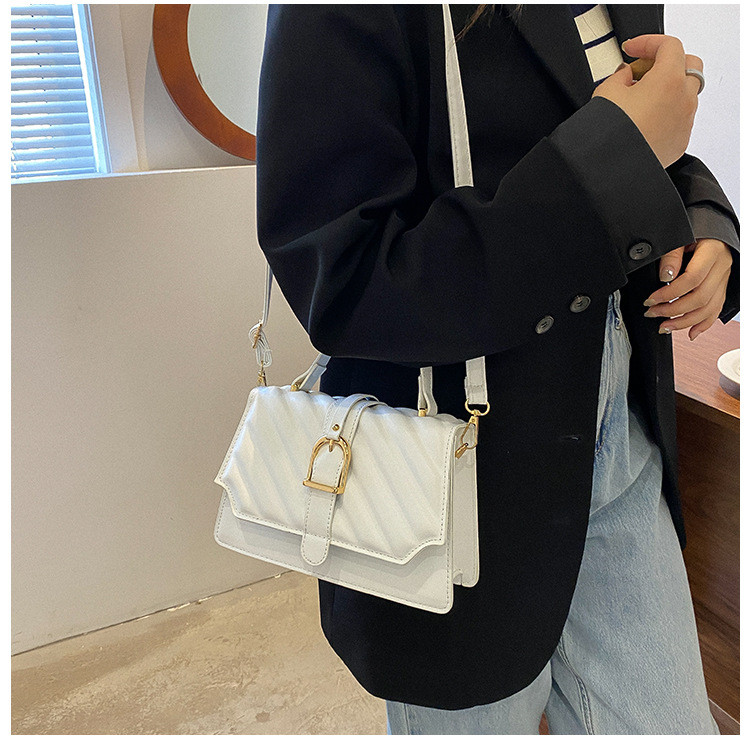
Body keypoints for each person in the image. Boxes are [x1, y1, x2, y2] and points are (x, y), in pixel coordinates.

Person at [254, 4, 739, 734]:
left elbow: (605, 127)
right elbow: (345, 275)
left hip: (622, 438)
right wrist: (614, 160)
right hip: (458, 472)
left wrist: (700, 214)